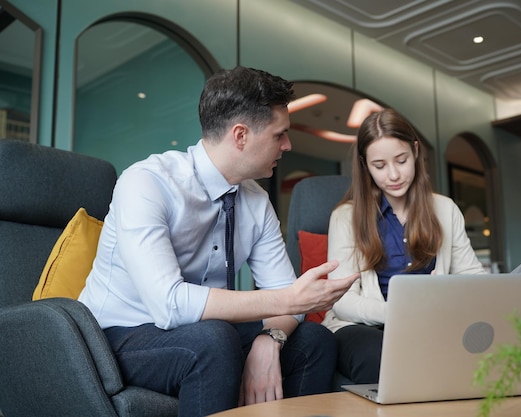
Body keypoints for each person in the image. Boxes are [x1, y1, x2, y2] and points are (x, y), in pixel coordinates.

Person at [78, 66, 359, 417]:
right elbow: (170, 304)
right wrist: (288, 299)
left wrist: (269, 339)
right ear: (240, 136)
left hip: (199, 332)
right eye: (279, 135)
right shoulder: (146, 183)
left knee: (314, 342)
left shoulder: (256, 201)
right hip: (118, 335)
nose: (287, 145)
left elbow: (292, 304)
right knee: (213, 340)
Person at [321, 108, 485, 384]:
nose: (394, 175)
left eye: (401, 160)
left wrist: (450, 292)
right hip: (364, 327)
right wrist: (398, 312)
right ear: (365, 165)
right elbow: (342, 301)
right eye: (380, 166)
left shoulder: (445, 209)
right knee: (380, 358)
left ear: (416, 151)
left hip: (433, 322)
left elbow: (473, 277)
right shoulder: (345, 217)